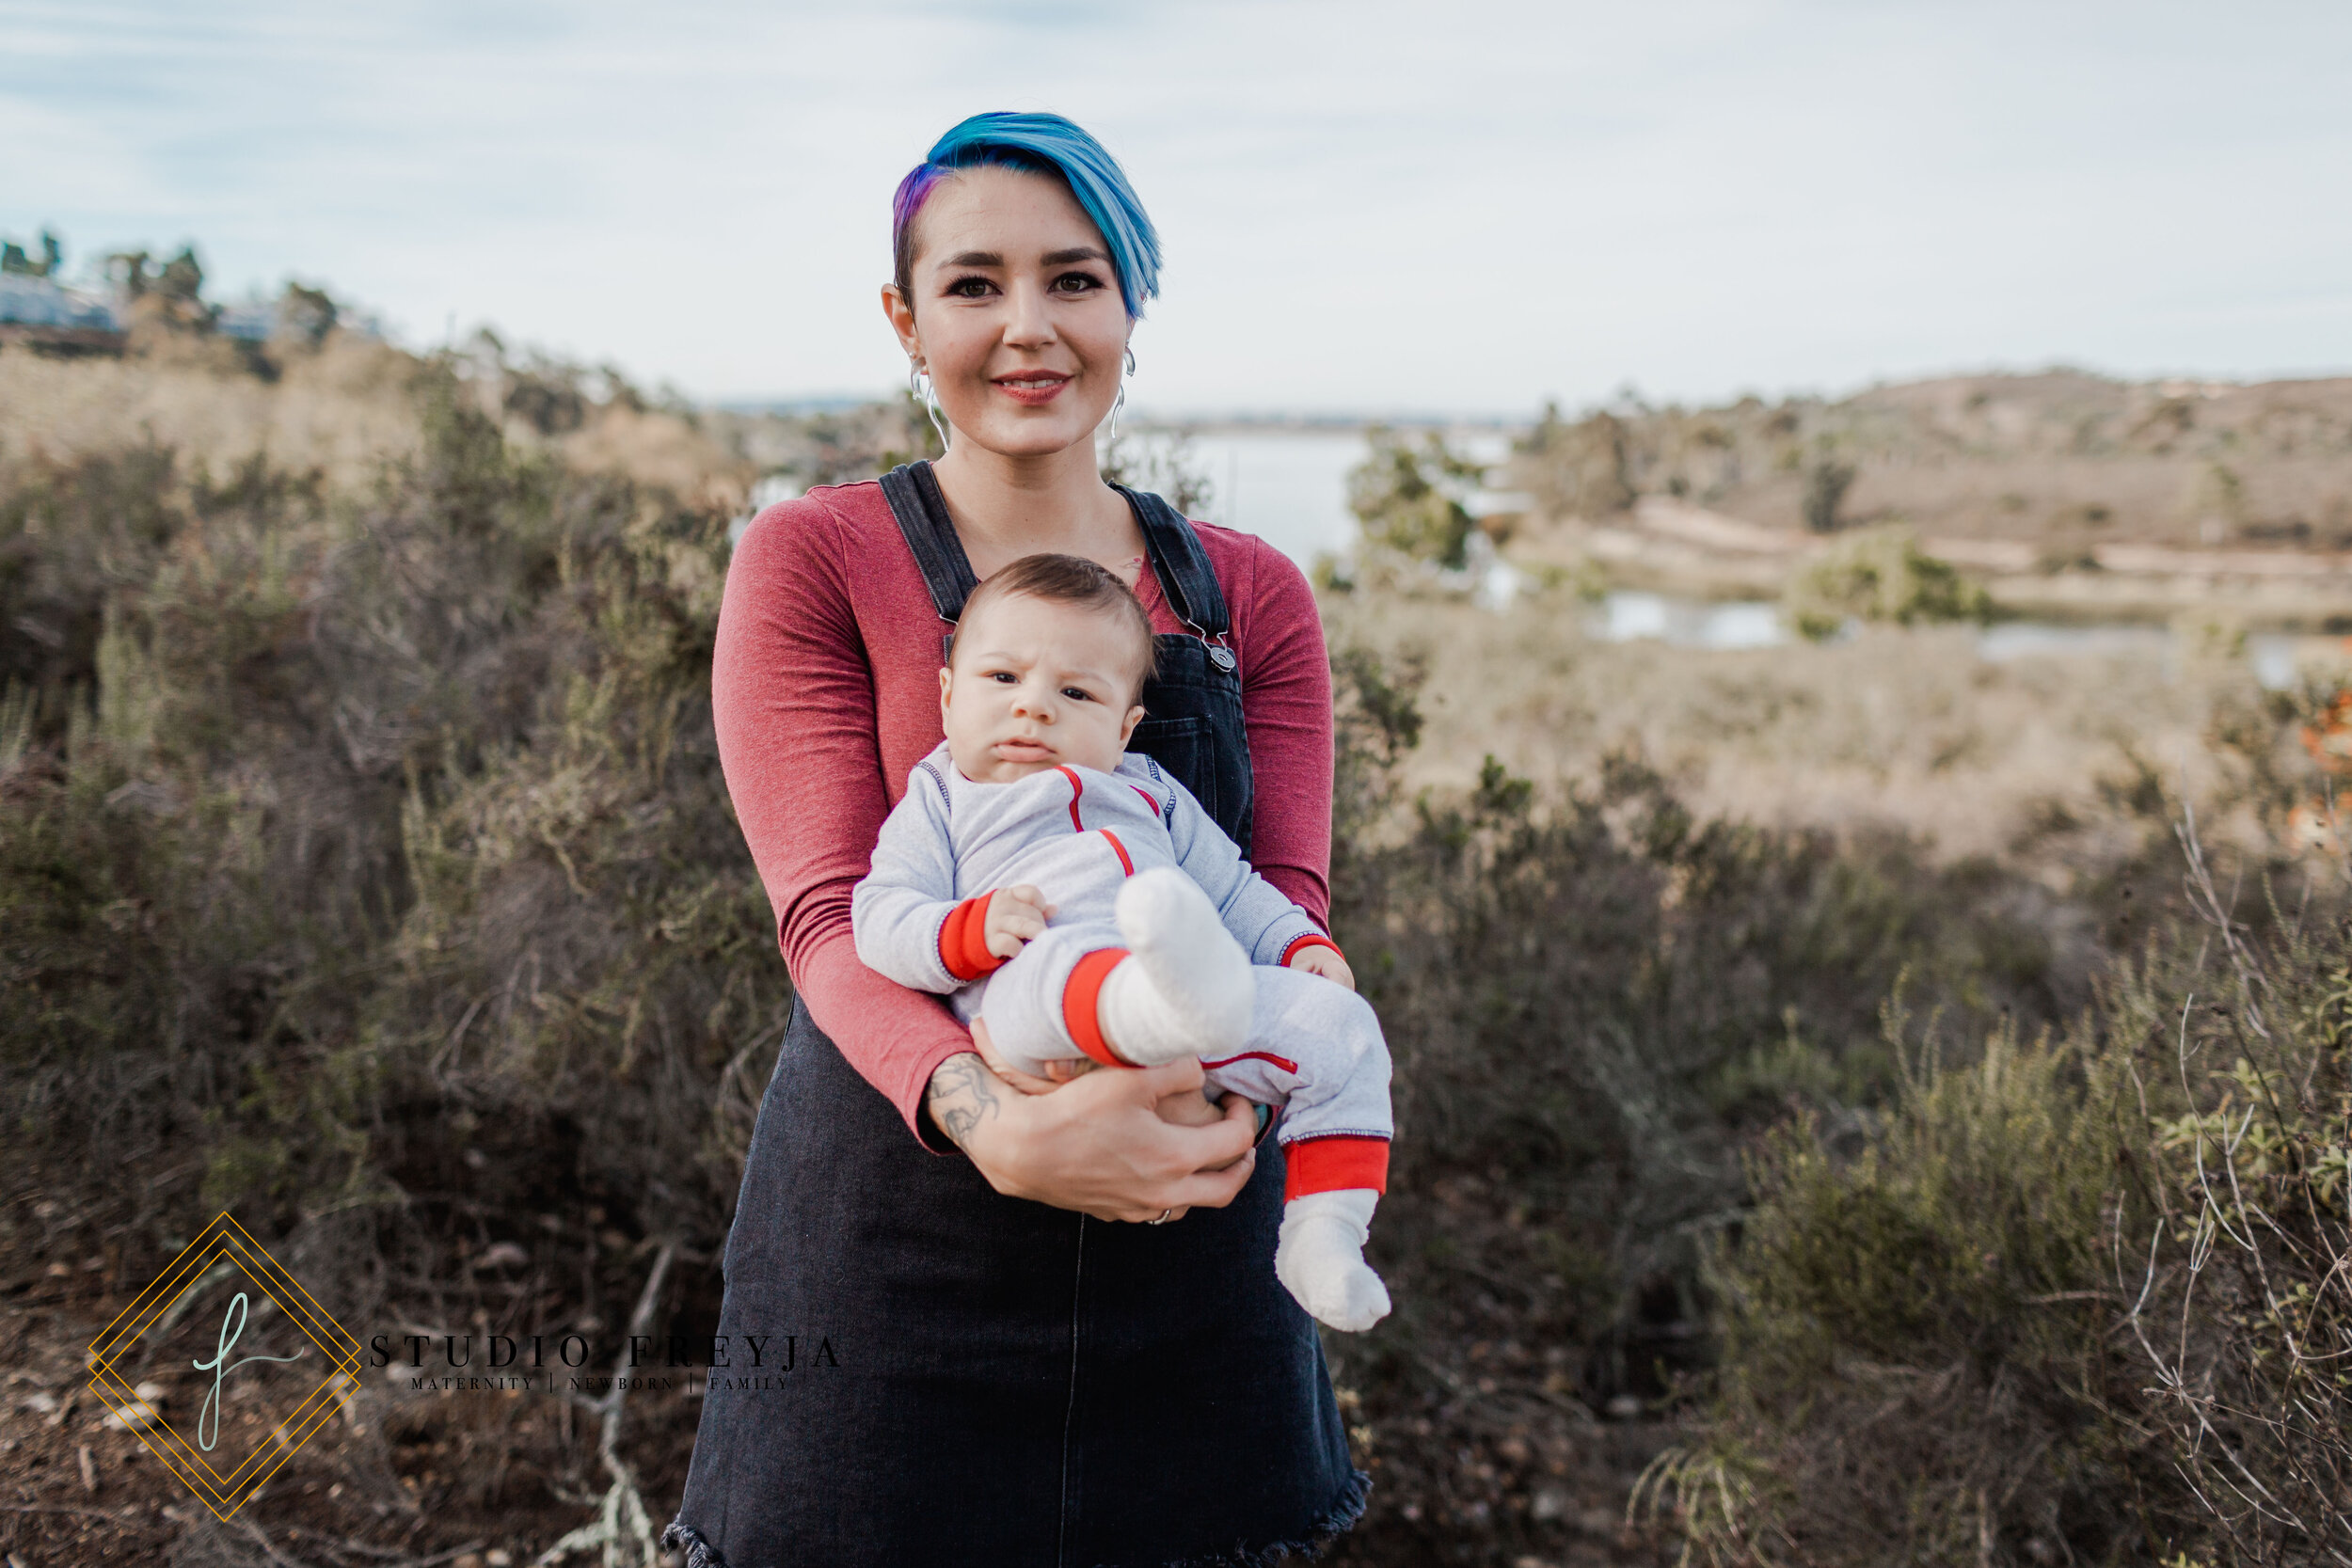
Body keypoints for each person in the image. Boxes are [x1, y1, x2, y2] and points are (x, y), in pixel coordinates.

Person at [665, 111, 1368, 1568]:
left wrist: (1239, 1097)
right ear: (905, 321)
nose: (1029, 327)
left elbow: (1283, 900)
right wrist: (1006, 1124)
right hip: (895, 1256)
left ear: (1129, 308)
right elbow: (826, 917)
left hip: (1198, 1244)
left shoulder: (1254, 594)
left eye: (1076, 278)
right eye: (975, 284)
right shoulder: (812, 557)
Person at [850, 552, 1393, 1333]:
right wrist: (967, 930)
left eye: (1075, 692)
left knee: (1341, 1029)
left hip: (1200, 1020)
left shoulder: (1152, 792)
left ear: (1124, 725)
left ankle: (1325, 1237)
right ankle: (1160, 999)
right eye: (1002, 679)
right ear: (946, 696)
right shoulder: (942, 795)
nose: (1033, 708)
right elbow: (878, 914)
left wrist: (1295, 945)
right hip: (1033, 1008)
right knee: (1063, 964)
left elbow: (1237, 889)